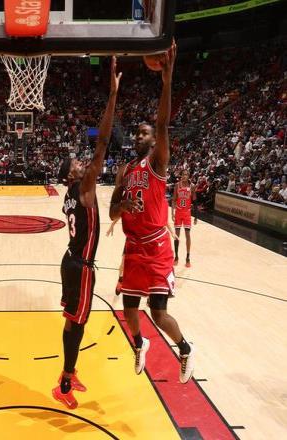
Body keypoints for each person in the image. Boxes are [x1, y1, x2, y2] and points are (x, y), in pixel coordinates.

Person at [109, 41, 195, 384]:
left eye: (143, 133)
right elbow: (112, 211)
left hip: (157, 245)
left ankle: (185, 348)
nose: (138, 135)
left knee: (158, 312)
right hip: (133, 246)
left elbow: (162, 124)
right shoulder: (125, 170)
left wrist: (167, 83)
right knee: (129, 307)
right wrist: (122, 206)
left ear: (153, 140)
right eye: (136, 133)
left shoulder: (157, 162)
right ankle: (138, 343)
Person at [52, 57, 122, 410]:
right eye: (77, 164)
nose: (83, 163)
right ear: (71, 175)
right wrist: (113, 95)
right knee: (77, 324)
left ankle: (70, 372)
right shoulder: (83, 187)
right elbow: (103, 142)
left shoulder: (70, 193)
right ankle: (64, 383)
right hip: (80, 266)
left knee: (73, 322)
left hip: (72, 261)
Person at [171, 169, 197, 267]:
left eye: (186, 174)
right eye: (183, 174)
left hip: (187, 213)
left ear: (188, 176)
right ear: (181, 176)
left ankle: (188, 257)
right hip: (178, 212)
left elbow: (195, 202)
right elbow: (174, 200)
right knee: (176, 235)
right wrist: (172, 212)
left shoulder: (192, 186)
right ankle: (176, 256)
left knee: (187, 235)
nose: (184, 176)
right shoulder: (177, 185)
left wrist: (196, 217)